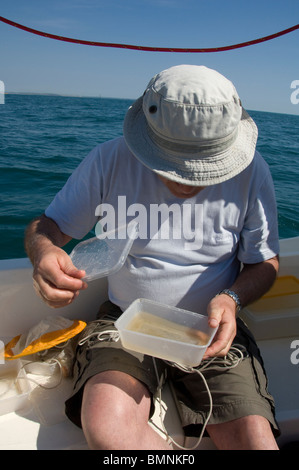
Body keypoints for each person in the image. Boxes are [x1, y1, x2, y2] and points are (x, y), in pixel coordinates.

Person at [25, 65, 280, 450]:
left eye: (204, 168)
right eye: (174, 164)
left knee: (256, 442)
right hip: (125, 320)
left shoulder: (253, 172)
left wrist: (233, 298)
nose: (188, 180)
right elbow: (48, 226)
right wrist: (44, 252)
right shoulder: (107, 160)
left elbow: (265, 263)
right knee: (108, 434)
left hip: (212, 329)